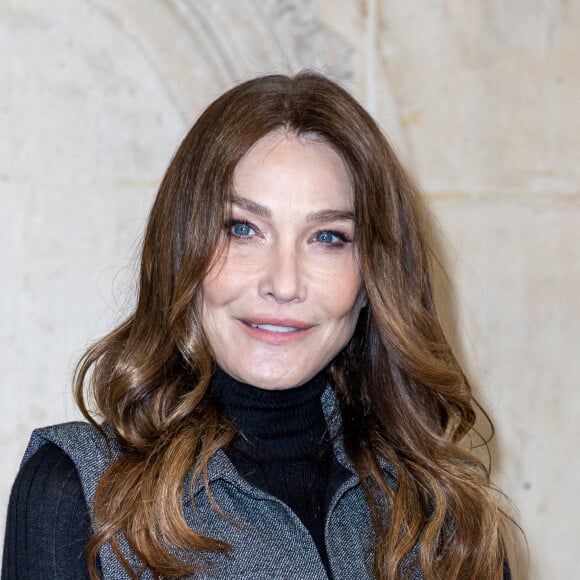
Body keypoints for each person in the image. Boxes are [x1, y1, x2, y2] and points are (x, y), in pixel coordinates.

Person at [2, 72, 514, 579]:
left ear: (372, 279)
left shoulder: (448, 515)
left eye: (328, 237)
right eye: (243, 229)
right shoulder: (80, 492)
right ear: (183, 252)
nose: (284, 282)